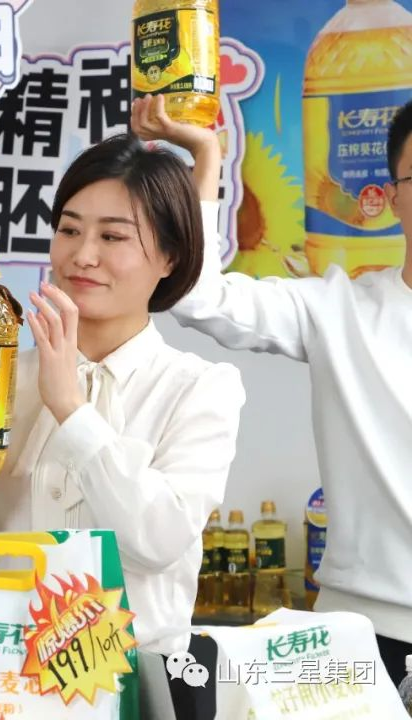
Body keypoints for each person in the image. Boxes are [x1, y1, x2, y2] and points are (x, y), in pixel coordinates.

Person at [0, 133, 246, 665]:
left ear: (170, 257)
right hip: (5, 673)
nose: (83, 256)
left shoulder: (199, 387)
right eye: (68, 230)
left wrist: (71, 408)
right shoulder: (3, 375)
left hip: (137, 677)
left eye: (113, 236)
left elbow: (160, 540)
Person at [136, 93, 412, 687]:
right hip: (361, 633)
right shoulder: (339, 309)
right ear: (393, 197)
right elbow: (197, 296)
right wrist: (205, 155)